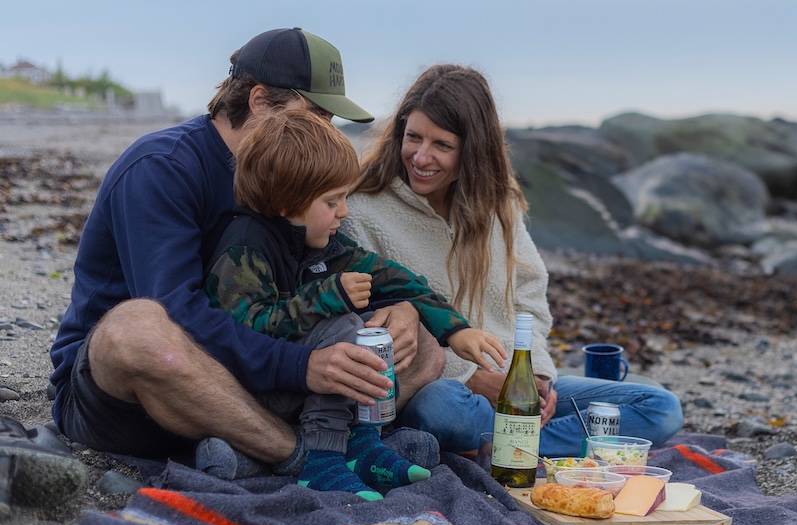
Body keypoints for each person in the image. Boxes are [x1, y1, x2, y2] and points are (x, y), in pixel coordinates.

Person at [48, 28, 445, 480]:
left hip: (254, 379)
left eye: (330, 119)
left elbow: (326, 270)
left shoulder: (297, 172)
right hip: (136, 398)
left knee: (424, 347)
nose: (324, 129)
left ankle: (279, 450)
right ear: (258, 101)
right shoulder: (160, 168)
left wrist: (400, 311)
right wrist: (302, 367)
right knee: (135, 328)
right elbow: (177, 314)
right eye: (316, 113)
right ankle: (298, 454)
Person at [341, 64, 684, 458]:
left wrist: (535, 374)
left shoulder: (498, 205)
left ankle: (507, 444)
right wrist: (471, 378)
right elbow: (374, 328)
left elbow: (529, 296)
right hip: (440, 390)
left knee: (661, 408)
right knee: (444, 410)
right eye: (413, 137)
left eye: (442, 145)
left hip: (511, 382)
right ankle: (525, 441)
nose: (421, 157)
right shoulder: (363, 211)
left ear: (472, 148)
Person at [204, 108, 506, 498]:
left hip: (304, 394)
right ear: (285, 202)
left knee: (375, 328)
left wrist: (456, 329)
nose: (343, 212)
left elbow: (397, 279)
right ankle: (324, 462)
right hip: (256, 393)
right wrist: (323, 296)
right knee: (347, 327)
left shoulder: (324, 245)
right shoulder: (246, 247)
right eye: (332, 202)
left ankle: (363, 446)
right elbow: (245, 332)